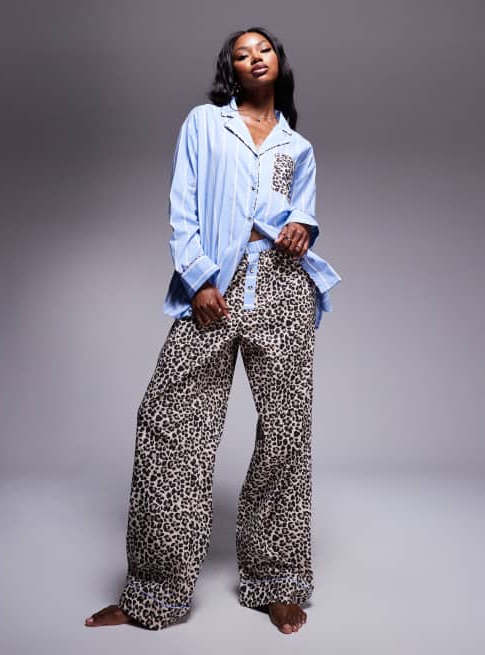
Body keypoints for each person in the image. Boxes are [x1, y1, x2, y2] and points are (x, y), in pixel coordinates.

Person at [84, 25, 341, 635]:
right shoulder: (204, 124)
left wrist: (302, 226)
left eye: (264, 49)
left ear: (279, 61)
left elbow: (303, 209)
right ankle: (153, 593)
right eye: (242, 54)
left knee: (285, 434)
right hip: (215, 285)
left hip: (281, 286)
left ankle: (277, 582)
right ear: (232, 69)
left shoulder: (296, 146)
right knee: (170, 425)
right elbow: (184, 205)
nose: (255, 58)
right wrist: (198, 278)